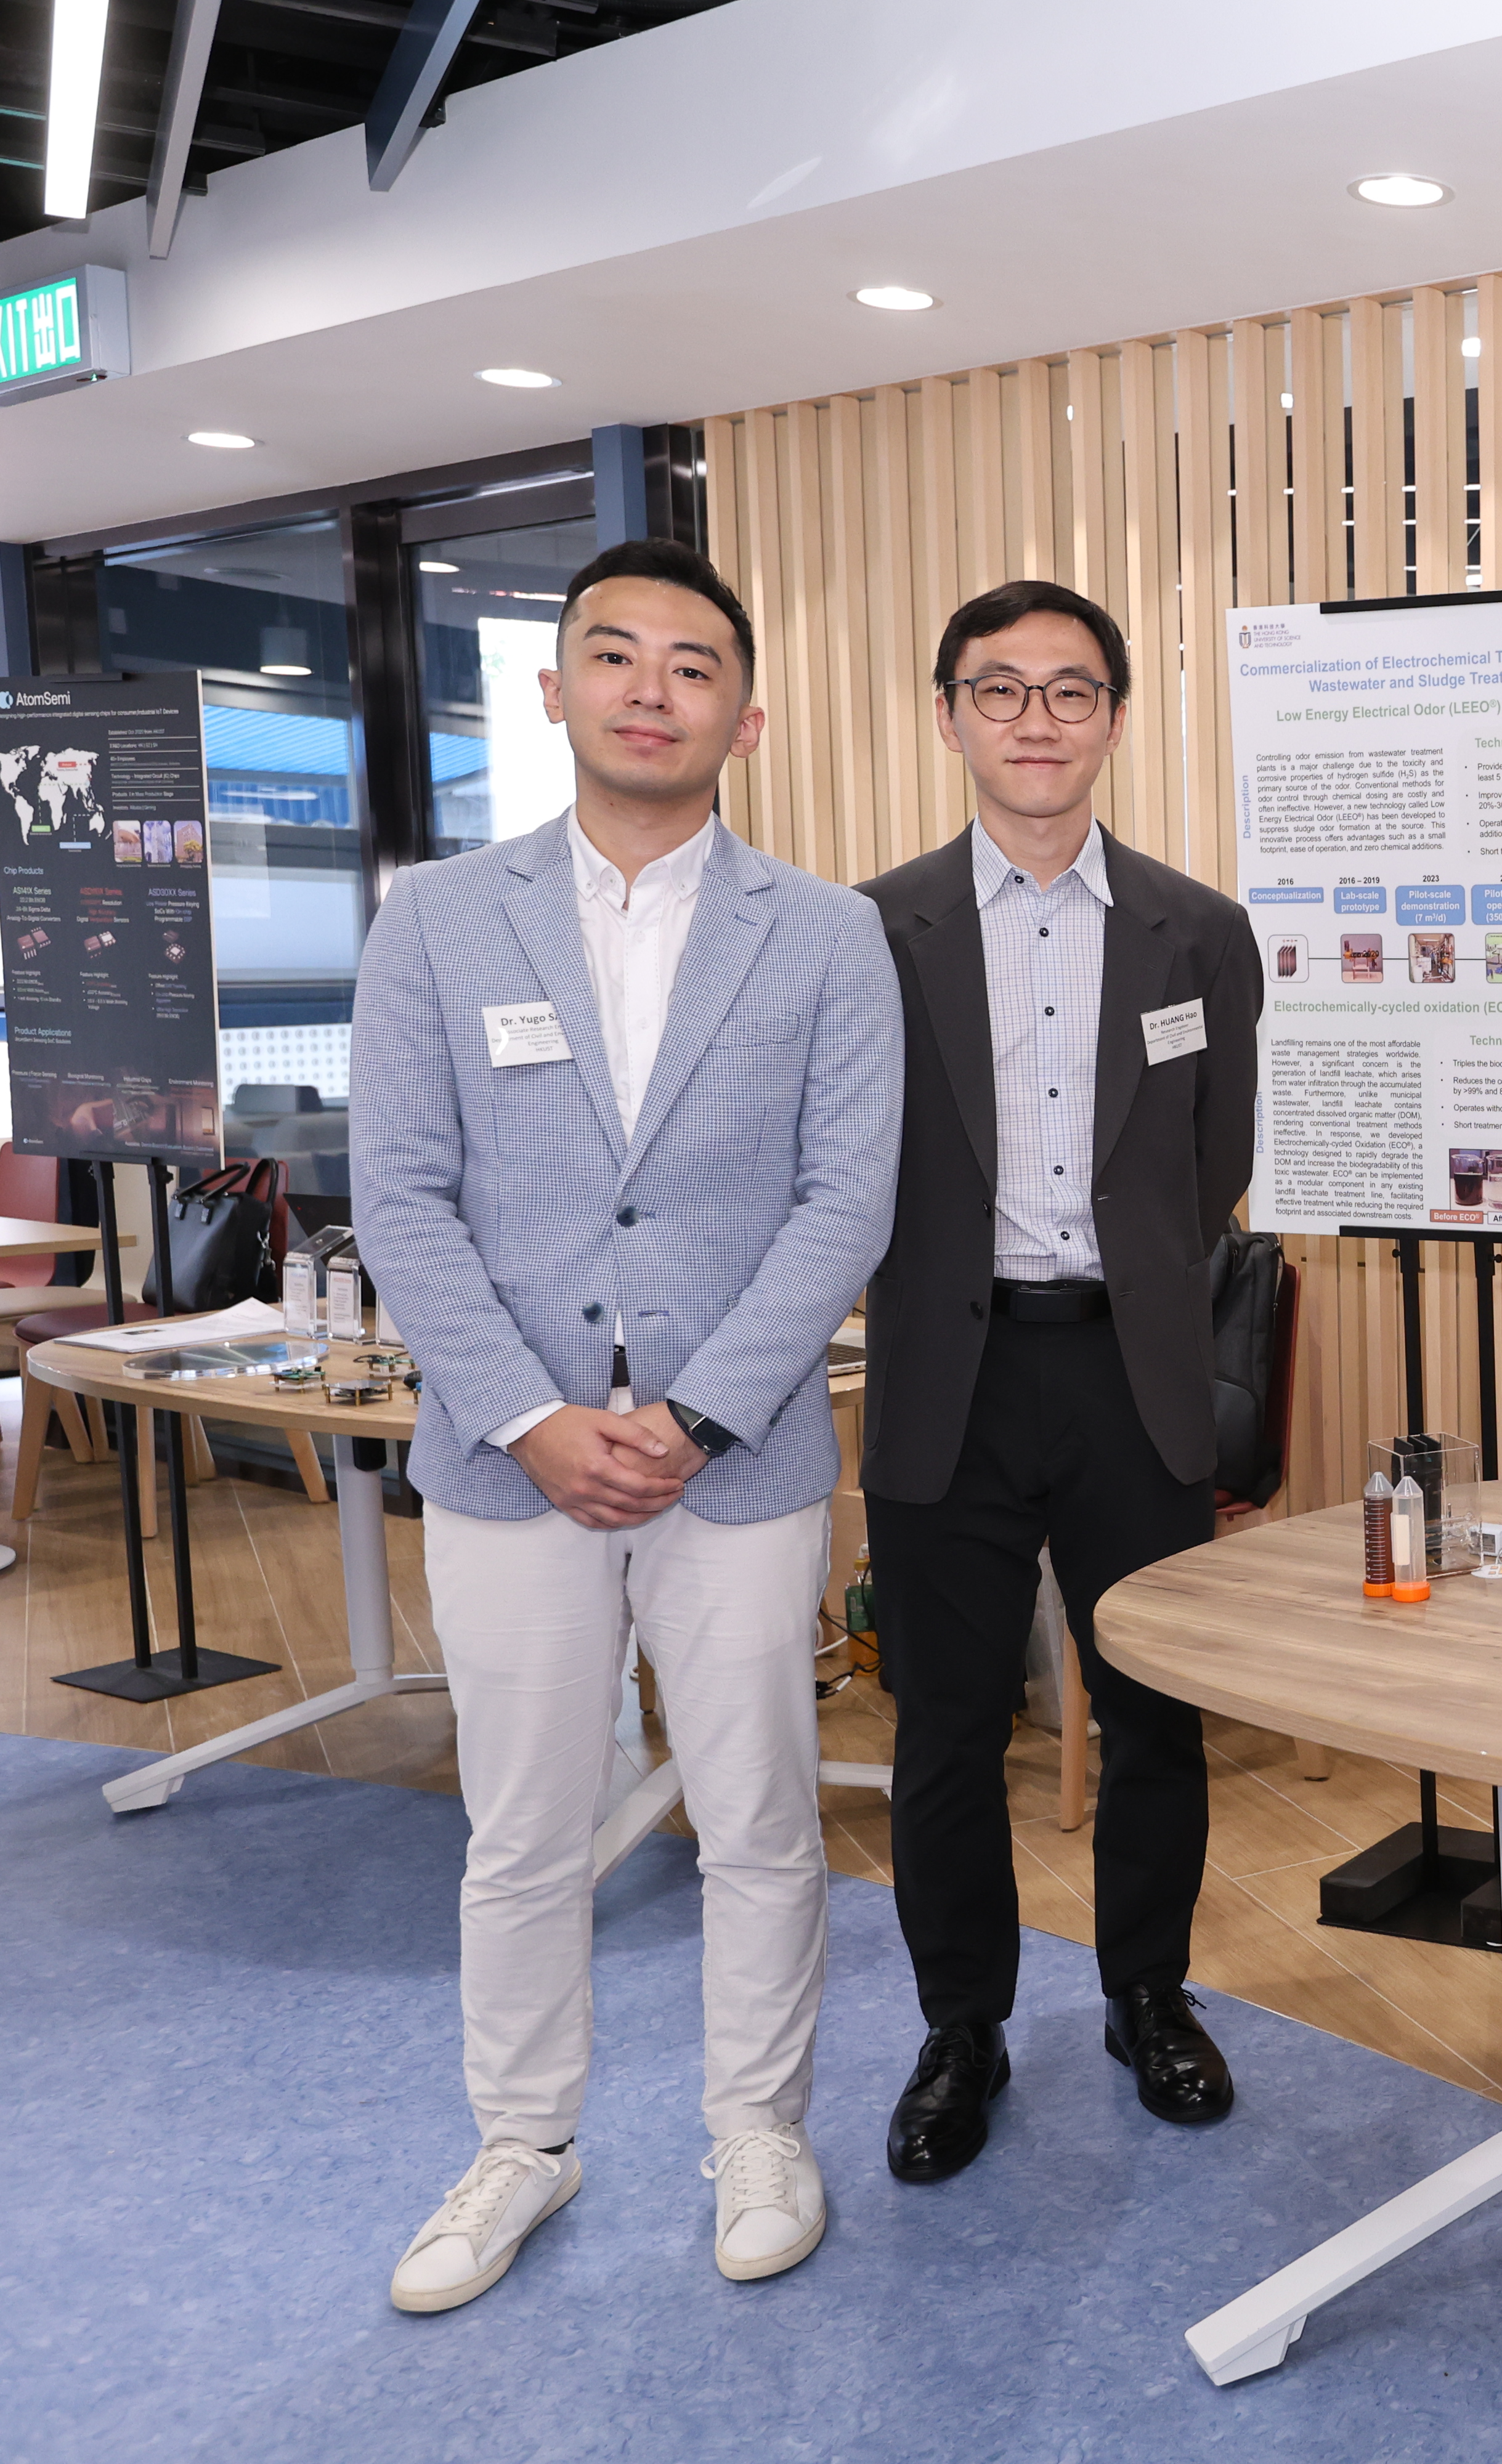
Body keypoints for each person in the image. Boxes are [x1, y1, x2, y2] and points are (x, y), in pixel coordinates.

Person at [354, 538, 901, 2309]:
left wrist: (697, 1410)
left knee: (755, 1814)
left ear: (748, 715)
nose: (652, 686)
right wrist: (525, 1417)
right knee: (520, 1826)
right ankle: (522, 2143)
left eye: (692, 664)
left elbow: (848, 1200)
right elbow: (405, 1196)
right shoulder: (434, 917)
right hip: (506, 1465)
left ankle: (760, 2126)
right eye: (616, 654)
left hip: (733, 1466)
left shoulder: (827, 934)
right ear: (556, 688)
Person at [861, 580, 1264, 2183]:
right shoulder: (870, 930)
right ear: (951, 711)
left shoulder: (1198, 931)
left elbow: (1210, 1166)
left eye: (1071, 691)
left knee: (1158, 1716)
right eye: (1002, 690)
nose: (1037, 720)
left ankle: (1148, 1996)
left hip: (1131, 1379)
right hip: (943, 1379)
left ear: (1112, 717)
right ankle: (962, 2030)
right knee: (946, 1731)